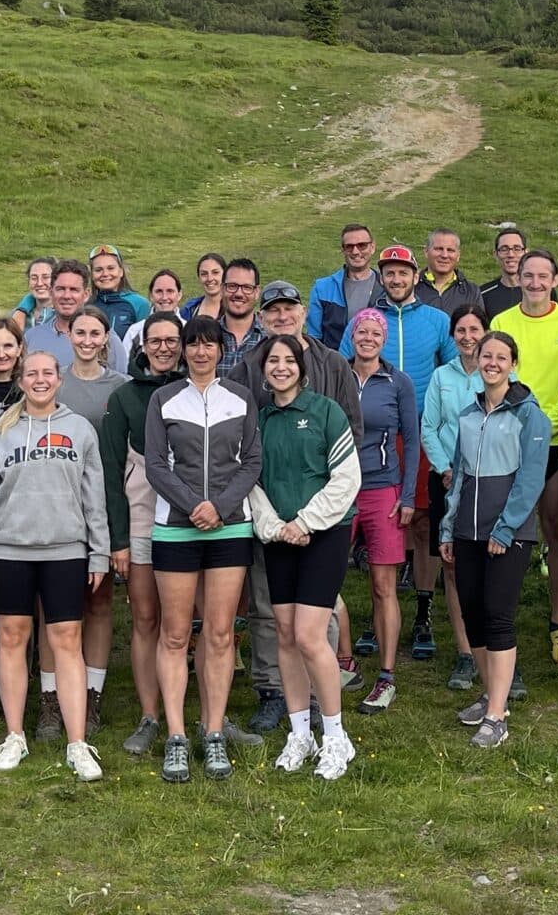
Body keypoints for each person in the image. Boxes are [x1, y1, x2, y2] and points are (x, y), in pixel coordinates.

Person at [0, 351, 112, 781]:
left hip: (66, 551)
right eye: (32, 373)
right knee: (13, 638)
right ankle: (14, 735)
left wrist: (98, 551)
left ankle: (77, 742)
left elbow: (94, 498)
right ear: (21, 378)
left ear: (59, 379)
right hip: (9, 550)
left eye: (48, 373)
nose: (41, 380)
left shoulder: (79, 430)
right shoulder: (0, 431)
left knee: (67, 640)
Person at [233, 280, 366, 728]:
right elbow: (243, 447)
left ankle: (318, 696)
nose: (281, 316)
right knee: (269, 609)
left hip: (321, 515)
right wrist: (270, 518)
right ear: (262, 317)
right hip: (268, 511)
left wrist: (318, 513)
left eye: (289, 308)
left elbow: (351, 429)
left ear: (303, 311)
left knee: (317, 614)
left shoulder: (332, 364)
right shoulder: (247, 368)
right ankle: (275, 692)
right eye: (272, 311)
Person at [144, 314, 264, 782]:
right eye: (192, 344)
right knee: (175, 635)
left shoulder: (241, 398)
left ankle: (213, 733)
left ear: (220, 350)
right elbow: (156, 464)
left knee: (218, 634)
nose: (200, 352)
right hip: (176, 527)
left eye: (208, 344)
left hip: (230, 528)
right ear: (183, 351)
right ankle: (176, 735)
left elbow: (252, 461)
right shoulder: (163, 399)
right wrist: (195, 506)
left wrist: (221, 507)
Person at [249, 335, 364, 780]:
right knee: (284, 634)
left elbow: (346, 477)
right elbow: (252, 480)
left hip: (325, 533)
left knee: (311, 635)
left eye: (287, 360)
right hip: (279, 537)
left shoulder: (326, 412)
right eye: (272, 361)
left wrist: (306, 522)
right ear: (264, 370)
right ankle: (300, 733)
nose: (280, 367)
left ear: (301, 367)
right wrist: (275, 526)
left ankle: (336, 737)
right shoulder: (259, 420)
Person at [442, 329, 552, 750]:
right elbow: (458, 476)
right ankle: (491, 696)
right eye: (486, 355)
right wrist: (447, 529)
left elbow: (530, 479)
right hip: (467, 533)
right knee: (472, 615)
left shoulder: (529, 415)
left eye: (500, 357)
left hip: (508, 534)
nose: (491, 363)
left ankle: (496, 716)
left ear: (513, 364)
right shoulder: (469, 415)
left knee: (498, 616)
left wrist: (505, 528)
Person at [489, 250, 558, 673]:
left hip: (554, 436)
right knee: (505, 526)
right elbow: (496, 374)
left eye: (542, 276)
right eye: (527, 275)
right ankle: (499, 621)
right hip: (511, 433)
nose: (533, 282)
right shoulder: (502, 322)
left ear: (554, 280)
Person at [100, 311, 184, 757]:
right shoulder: (125, 398)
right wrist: (118, 540)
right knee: (147, 620)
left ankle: (208, 713)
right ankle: (150, 714)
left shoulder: (199, 392)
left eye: (174, 340)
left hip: (192, 524)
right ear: (143, 344)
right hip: (142, 522)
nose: (165, 347)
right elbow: (112, 474)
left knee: (196, 623)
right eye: (157, 340)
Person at [50, 306, 126, 741]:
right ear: (70, 336)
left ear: (105, 339)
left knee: (97, 602)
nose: (87, 340)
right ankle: (53, 694)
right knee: (58, 608)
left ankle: (92, 692)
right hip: (58, 507)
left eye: (95, 333)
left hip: (102, 506)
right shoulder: (54, 381)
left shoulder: (120, 388)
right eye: (80, 332)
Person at [342, 309, 421, 712]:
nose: (368, 338)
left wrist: (407, 497)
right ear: (352, 335)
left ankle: (386, 675)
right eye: (362, 331)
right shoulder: (337, 375)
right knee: (327, 581)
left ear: (383, 339)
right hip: (338, 491)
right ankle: (341, 661)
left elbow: (412, 437)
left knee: (382, 585)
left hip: (381, 490)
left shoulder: (398, 382)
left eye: (375, 332)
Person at [418, 303, 488, 690]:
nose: (467, 337)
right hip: (445, 479)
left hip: (487, 481)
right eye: (460, 331)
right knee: (453, 565)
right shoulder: (440, 376)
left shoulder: (499, 372)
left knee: (489, 564)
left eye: (474, 330)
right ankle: (465, 653)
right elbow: (429, 426)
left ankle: (494, 647)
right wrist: (445, 467)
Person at [342, 244, 450, 386]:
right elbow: (341, 372)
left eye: (403, 273)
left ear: (416, 278)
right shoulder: (361, 322)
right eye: (390, 273)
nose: (396, 280)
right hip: (374, 408)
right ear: (381, 279)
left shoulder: (439, 320)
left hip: (425, 408)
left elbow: (456, 372)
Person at [310, 224, 379, 343]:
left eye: (362, 245)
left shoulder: (387, 286)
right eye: (349, 247)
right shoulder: (322, 288)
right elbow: (314, 338)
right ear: (343, 250)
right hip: (334, 360)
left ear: (372, 247)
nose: (356, 251)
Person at [24, 260, 92, 368]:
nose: (66, 296)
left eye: (74, 290)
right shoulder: (32, 337)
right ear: (51, 292)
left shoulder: (103, 338)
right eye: (60, 289)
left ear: (86, 294)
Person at [115, 268, 186, 366]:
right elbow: (124, 367)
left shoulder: (188, 329)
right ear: (151, 296)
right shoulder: (135, 331)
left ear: (179, 295)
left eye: (170, 291)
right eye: (159, 291)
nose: (164, 297)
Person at [87, 244, 153, 341]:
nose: (105, 274)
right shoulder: (86, 304)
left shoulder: (140, 304)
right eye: (98, 270)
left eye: (111, 268)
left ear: (121, 271)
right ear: (92, 275)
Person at [416, 228, 483, 322]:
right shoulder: (410, 288)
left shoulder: (471, 291)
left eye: (450, 250)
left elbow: (478, 329)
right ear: (426, 252)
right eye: (439, 249)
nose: (444, 255)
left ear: (458, 255)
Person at [214, 257, 267, 373]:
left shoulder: (270, 338)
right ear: (222, 289)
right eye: (232, 286)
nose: (238, 293)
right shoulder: (208, 336)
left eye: (247, 287)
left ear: (257, 292)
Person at [477, 226, 529, 318]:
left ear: (526, 253)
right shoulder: (482, 294)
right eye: (504, 249)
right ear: (496, 254)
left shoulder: (539, 290)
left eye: (517, 249)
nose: (511, 255)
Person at [179, 253, 228, 321]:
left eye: (215, 272)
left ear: (225, 275)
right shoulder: (189, 310)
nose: (210, 278)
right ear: (199, 278)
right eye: (204, 274)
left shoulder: (236, 308)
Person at [13, 257, 55, 329]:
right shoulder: (14, 315)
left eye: (46, 277)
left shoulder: (67, 315)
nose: (39, 283)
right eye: (34, 278)